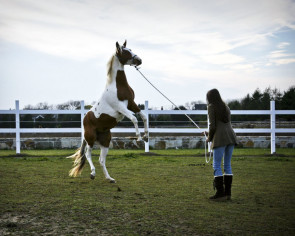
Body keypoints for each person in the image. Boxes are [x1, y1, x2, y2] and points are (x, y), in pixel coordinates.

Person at [203, 89, 238, 201]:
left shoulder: (211, 107)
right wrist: (209, 133)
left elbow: (213, 126)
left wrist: (209, 138)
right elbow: (222, 125)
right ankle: (227, 194)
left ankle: (220, 193)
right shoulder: (226, 107)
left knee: (216, 165)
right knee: (227, 165)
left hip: (220, 139)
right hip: (231, 137)